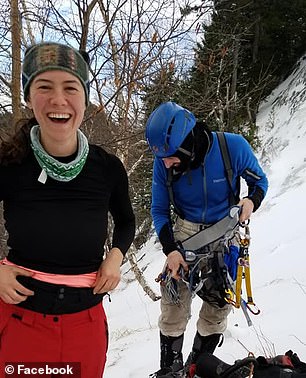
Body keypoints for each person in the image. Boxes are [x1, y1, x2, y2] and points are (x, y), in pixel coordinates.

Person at [0, 42, 135, 377]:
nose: (58, 100)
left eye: (70, 88)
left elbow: (126, 221)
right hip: (20, 320)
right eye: (44, 87)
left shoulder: (107, 168)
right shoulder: (9, 162)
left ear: (84, 98)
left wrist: (115, 257)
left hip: (84, 325)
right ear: (30, 97)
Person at [145, 101, 268, 377]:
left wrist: (250, 201)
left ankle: (198, 365)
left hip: (226, 233)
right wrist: (170, 251)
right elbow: (159, 210)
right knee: (173, 305)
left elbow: (260, 182)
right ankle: (171, 366)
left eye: (170, 156)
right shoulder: (162, 163)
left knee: (218, 306)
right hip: (184, 235)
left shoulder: (232, 148)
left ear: (188, 143)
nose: (165, 163)